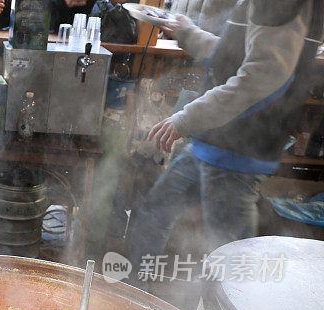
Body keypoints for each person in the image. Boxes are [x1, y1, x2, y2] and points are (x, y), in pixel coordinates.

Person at [127, 0, 322, 286]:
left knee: (230, 259)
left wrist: (185, 118)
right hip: (214, 141)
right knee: (154, 213)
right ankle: (133, 301)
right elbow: (234, 56)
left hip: (238, 153)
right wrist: (187, 32)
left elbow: (259, 77)